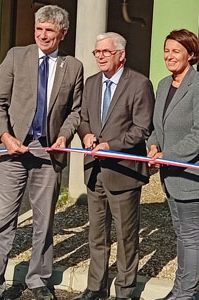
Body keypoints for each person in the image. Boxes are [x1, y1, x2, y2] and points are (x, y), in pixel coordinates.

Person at [0, 5, 83, 300]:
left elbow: (75, 111)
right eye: (39, 29)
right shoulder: (16, 56)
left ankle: (38, 280)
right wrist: (5, 137)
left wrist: (64, 136)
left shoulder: (73, 66)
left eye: (49, 30)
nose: (42, 35)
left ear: (62, 33)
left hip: (47, 152)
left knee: (44, 221)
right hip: (12, 149)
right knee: (1, 221)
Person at [73, 32, 154, 300]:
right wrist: (85, 134)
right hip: (94, 172)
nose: (100, 57)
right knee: (97, 235)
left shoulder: (139, 84)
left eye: (105, 52)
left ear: (121, 55)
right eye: (97, 52)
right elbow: (83, 118)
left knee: (126, 236)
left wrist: (111, 145)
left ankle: (125, 290)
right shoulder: (92, 83)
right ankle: (96, 286)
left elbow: (142, 128)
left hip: (123, 172)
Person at [147, 29, 199, 300]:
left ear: (191, 54)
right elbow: (158, 127)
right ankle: (179, 291)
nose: (169, 56)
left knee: (190, 236)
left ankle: (185, 294)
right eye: (166, 50)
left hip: (191, 176)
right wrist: (154, 146)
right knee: (181, 235)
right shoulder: (164, 84)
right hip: (170, 176)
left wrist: (170, 156)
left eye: (176, 51)